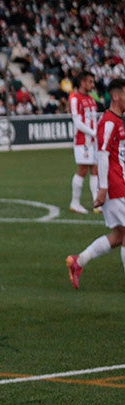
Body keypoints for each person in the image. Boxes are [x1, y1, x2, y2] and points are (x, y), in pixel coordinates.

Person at [66, 78, 125, 289]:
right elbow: (102, 155)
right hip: (115, 187)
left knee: (119, 236)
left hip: (118, 184)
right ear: (116, 96)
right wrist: (103, 189)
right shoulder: (109, 122)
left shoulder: (117, 121)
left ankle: (78, 261)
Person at [69, 71, 100, 214]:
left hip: (93, 141)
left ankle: (97, 203)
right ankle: (75, 203)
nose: (92, 85)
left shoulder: (92, 99)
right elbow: (77, 122)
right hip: (83, 141)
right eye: (90, 82)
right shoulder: (75, 98)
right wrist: (94, 132)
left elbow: (93, 119)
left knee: (95, 170)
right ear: (82, 82)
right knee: (82, 170)